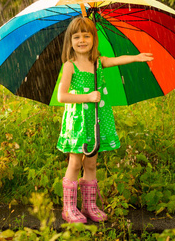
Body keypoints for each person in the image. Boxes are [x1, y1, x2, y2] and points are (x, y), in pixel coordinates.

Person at [57, 16, 153, 223]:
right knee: (75, 162)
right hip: (79, 120)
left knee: (91, 163)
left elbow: (117, 60)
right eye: (76, 36)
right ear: (70, 41)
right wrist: (87, 97)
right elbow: (62, 96)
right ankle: (68, 208)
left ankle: (89, 205)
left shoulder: (98, 63)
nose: (81, 40)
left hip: (97, 119)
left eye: (86, 35)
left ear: (93, 39)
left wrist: (136, 57)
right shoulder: (69, 66)